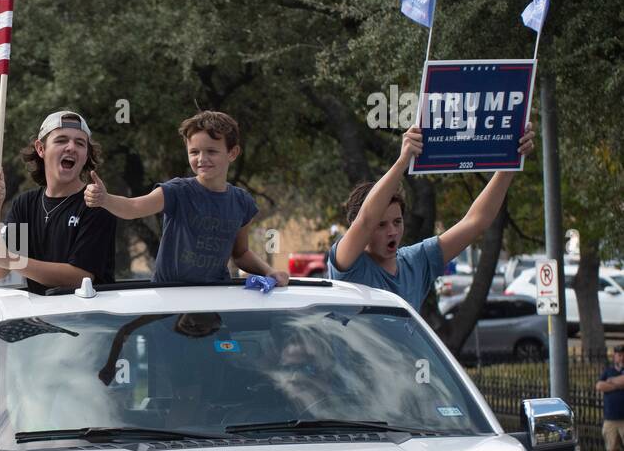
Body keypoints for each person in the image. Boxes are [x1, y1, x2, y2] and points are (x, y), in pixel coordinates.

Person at [329, 124, 537, 310]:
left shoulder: (416, 262)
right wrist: (403, 161)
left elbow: (476, 222)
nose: (392, 231)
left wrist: (511, 161)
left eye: (397, 222)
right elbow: (366, 219)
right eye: (381, 225)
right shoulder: (348, 263)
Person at [84, 111, 288, 286]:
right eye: (194, 152)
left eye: (211, 151)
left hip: (215, 298)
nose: (201, 159)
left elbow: (241, 254)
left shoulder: (242, 202)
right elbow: (134, 207)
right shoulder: (177, 191)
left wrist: (269, 272)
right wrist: (105, 199)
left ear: (232, 153)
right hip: (169, 298)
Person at [0, 110, 117, 294]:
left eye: (80, 143)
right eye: (61, 140)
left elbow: (80, 278)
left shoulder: (97, 203)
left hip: (89, 318)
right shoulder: (24, 204)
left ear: (86, 156)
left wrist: (13, 260)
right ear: (40, 149)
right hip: (41, 320)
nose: (71, 147)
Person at [596, 344, 624, 451]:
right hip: (611, 417)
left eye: (623, 354)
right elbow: (600, 385)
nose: (621, 357)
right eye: (619, 355)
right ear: (615, 356)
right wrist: (619, 384)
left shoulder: (611, 376)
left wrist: (612, 382)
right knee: (612, 447)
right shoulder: (609, 371)